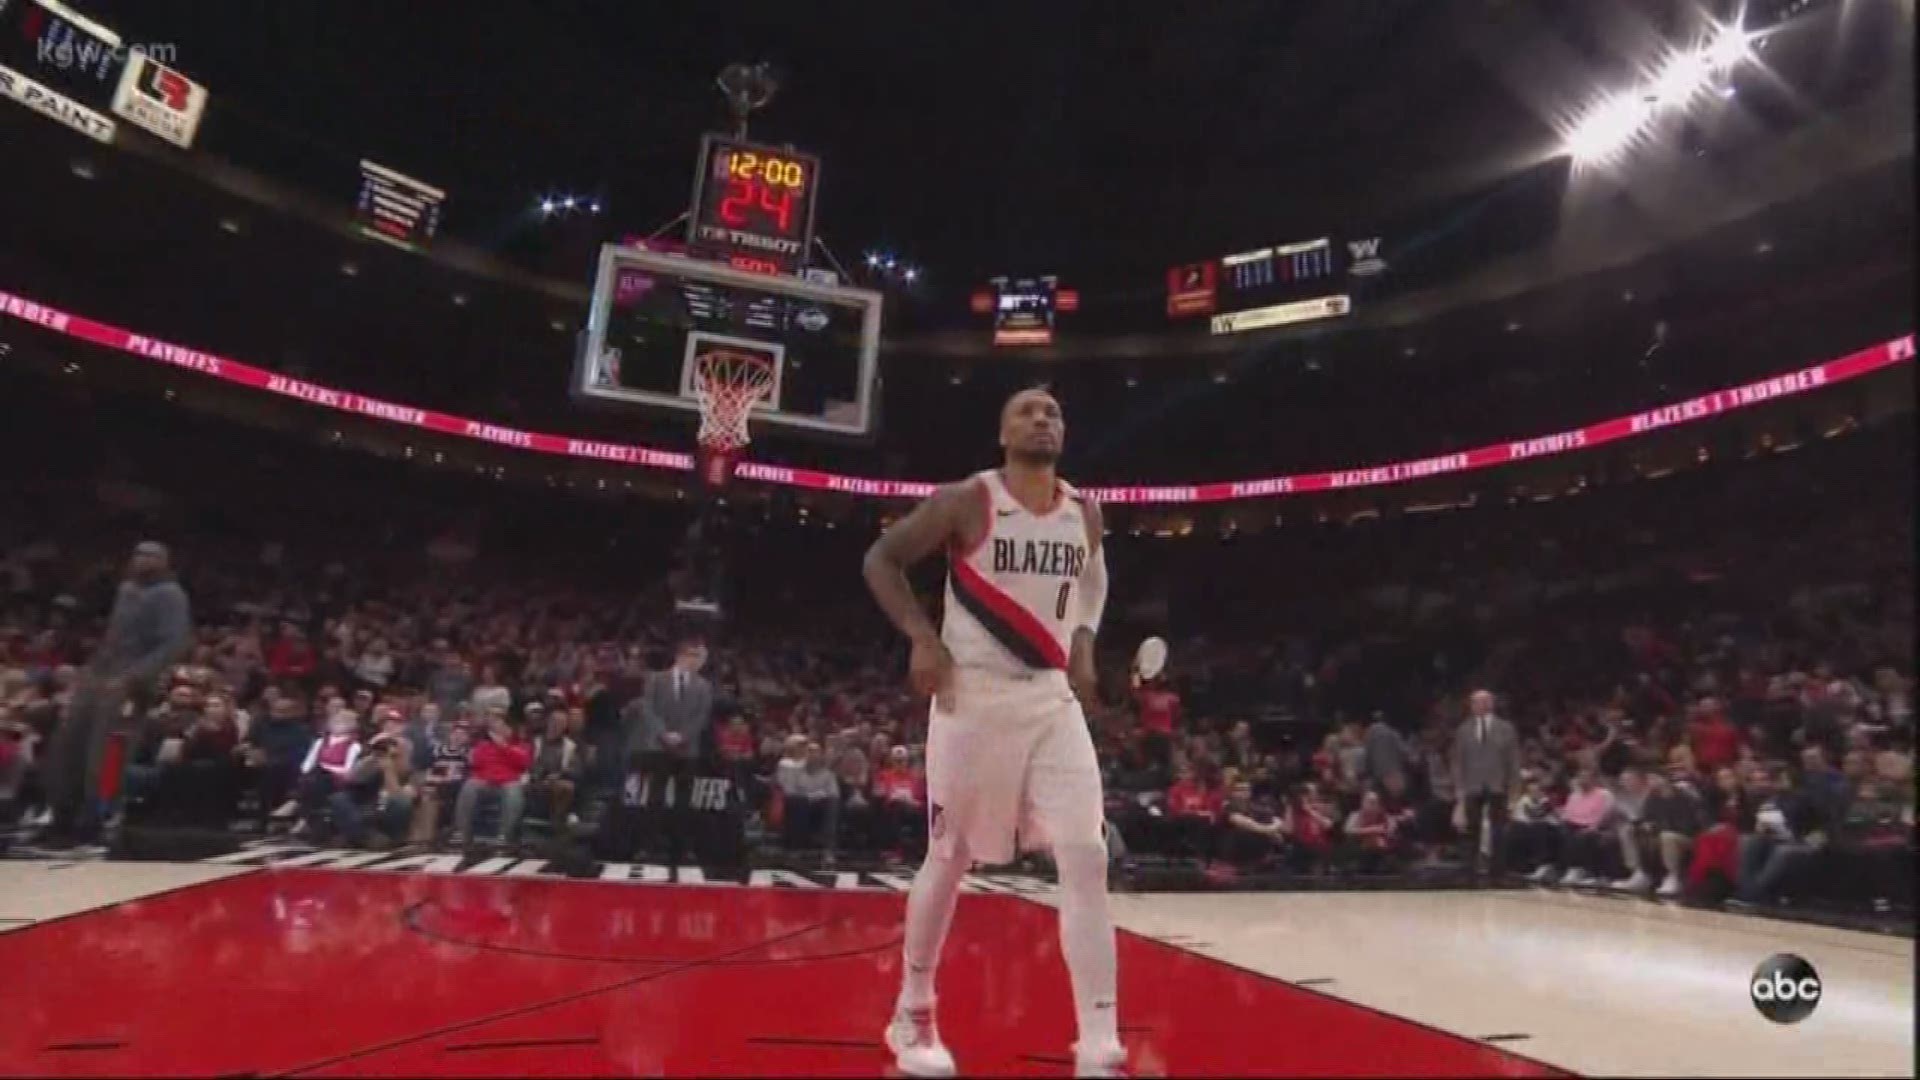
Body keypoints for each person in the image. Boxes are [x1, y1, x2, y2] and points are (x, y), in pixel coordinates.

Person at [862, 387, 1121, 1077]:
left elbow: (1092, 580)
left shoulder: (1084, 511)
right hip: (970, 697)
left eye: (1054, 412)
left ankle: (1099, 1036)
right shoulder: (967, 500)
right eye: (1028, 410)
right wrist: (921, 637)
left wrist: (1086, 646)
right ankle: (912, 1012)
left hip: (1050, 699)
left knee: (1086, 853)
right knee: (949, 858)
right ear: (1002, 431)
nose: (1043, 418)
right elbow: (881, 560)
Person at [40, 541, 191, 849]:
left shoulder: (171, 596)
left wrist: (134, 677)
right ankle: (62, 815)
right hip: (100, 674)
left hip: (131, 684)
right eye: (137, 553)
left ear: (164, 561)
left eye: (149, 556)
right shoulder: (125, 589)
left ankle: (96, 820)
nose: (141, 560)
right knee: (70, 745)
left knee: (109, 754)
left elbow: (173, 644)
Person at [1451, 689, 1519, 878]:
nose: (1479, 706)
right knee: (1471, 830)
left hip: (1498, 784)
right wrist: (1459, 792)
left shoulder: (1506, 728)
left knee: (1499, 831)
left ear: (1491, 704)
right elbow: (1458, 762)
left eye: (1483, 702)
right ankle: (1468, 871)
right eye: (1475, 702)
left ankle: (1498, 872)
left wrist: (1514, 793)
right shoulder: (1463, 730)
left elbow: (1513, 762)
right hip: (1472, 785)